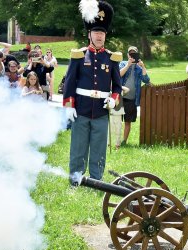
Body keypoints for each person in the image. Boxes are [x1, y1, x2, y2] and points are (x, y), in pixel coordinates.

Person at [64, 0, 122, 182]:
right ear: (89, 34)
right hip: (81, 108)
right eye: (96, 32)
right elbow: (69, 83)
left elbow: (118, 86)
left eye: (102, 33)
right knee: (78, 146)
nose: (99, 36)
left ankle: (96, 181)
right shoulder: (79, 55)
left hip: (101, 111)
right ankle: (75, 178)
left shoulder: (111, 58)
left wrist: (113, 100)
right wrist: (68, 105)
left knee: (98, 148)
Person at [119, 46, 150, 145]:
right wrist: (128, 65)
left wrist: (143, 66)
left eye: (134, 53)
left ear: (137, 55)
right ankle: (116, 140)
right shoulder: (123, 63)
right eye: (130, 53)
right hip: (119, 98)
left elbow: (146, 80)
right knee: (117, 121)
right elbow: (118, 75)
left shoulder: (139, 68)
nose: (132, 55)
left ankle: (124, 141)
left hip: (132, 99)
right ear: (127, 55)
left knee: (128, 121)